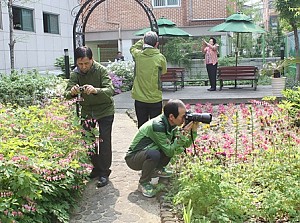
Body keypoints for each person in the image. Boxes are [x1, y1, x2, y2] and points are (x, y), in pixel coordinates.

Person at [125, 99, 199, 198]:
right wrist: (183, 134)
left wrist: (193, 131)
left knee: (167, 147)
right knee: (155, 154)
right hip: (133, 158)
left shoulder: (172, 125)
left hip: (146, 153)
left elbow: (184, 145)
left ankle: (157, 169)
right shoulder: (158, 125)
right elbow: (169, 152)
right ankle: (143, 183)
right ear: (172, 117)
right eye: (183, 116)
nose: (184, 119)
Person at [65, 46, 115, 188]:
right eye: (80, 64)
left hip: (105, 110)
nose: (83, 67)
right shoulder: (76, 74)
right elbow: (66, 94)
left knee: (104, 141)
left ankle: (104, 172)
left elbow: (110, 90)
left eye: (86, 63)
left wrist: (95, 90)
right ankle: (96, 168)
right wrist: (73, 91)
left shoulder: (101, 70)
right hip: (87, 111)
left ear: (92, 60)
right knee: (88, 142)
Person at [130, 31, 167, 128]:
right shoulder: (160, 58)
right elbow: (163, 71)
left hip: (139, 98)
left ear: (144, 43)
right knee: (156, 127)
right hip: (155, 98)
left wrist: (143, 40)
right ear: (157, 44)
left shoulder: (138, 55)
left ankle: (143, 143)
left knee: (142, 127)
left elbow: (132, 48)